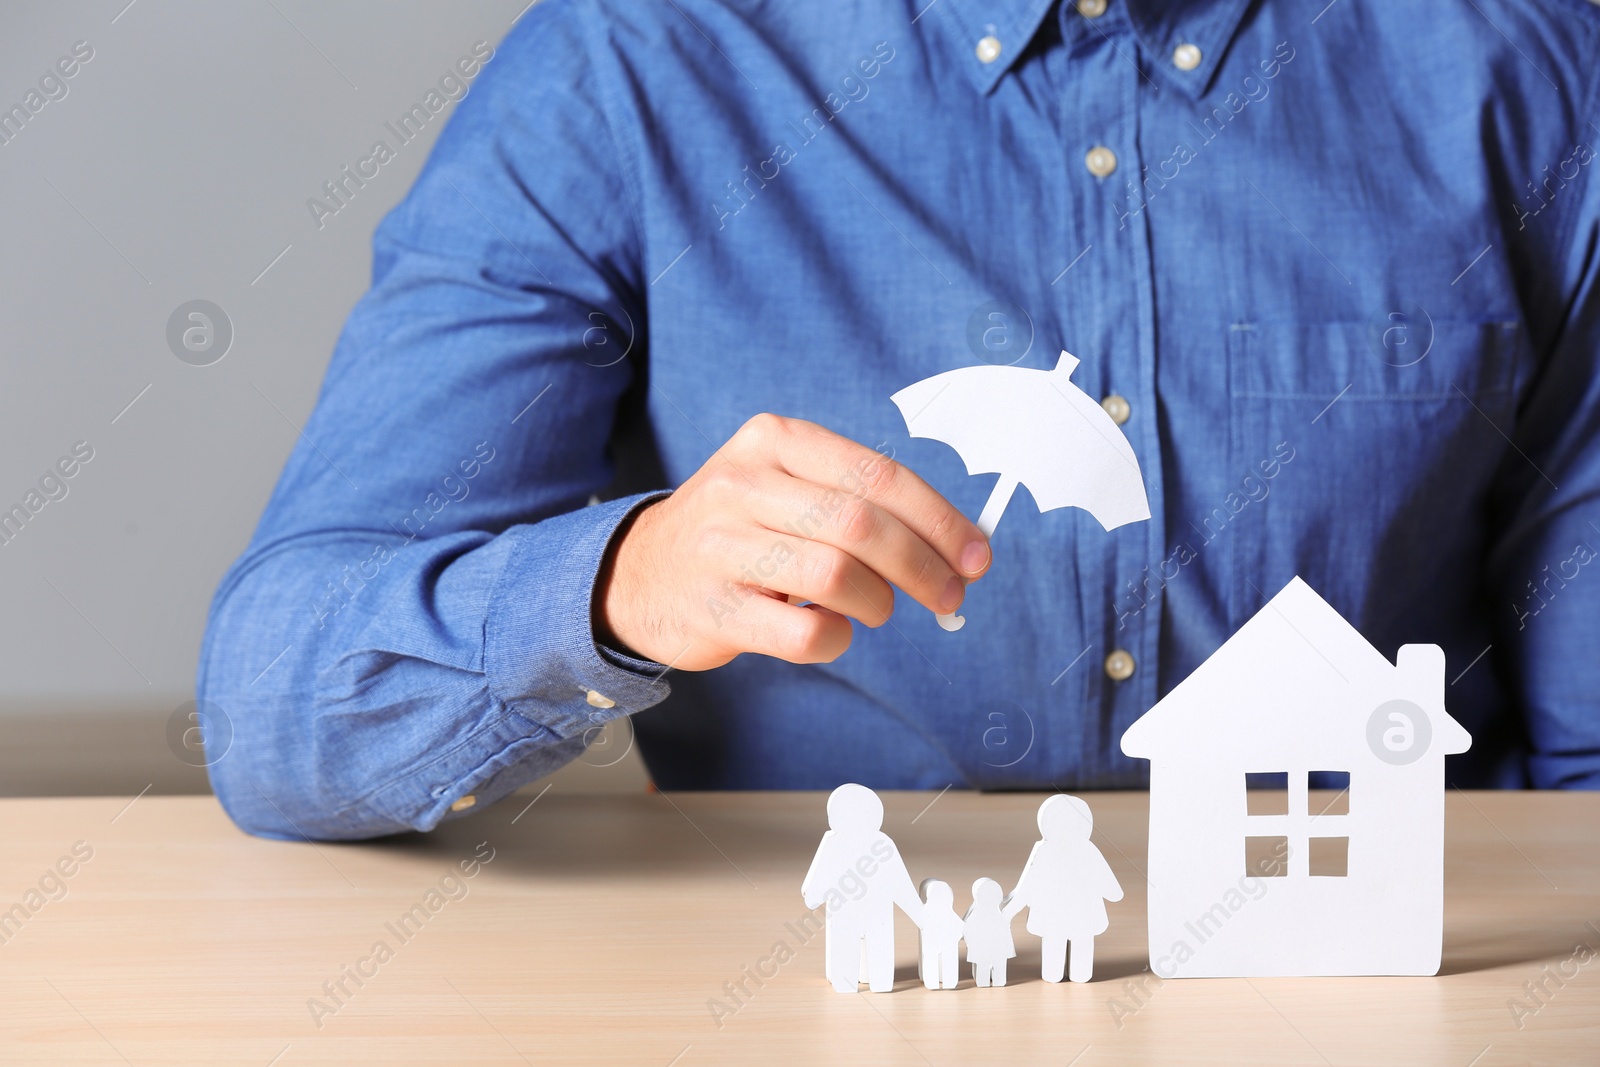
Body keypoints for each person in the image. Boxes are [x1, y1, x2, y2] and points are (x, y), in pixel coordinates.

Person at [198, 0, 1600, 840]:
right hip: (815, 982)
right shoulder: (627, 67)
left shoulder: (1532, 78)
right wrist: (614, 588)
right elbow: (276, 704)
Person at [801, 785, 923, 993]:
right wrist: (920, 916)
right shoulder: (877, 843)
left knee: (863, 953)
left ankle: (861, 981)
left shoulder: (862, 843)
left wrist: (921, 916)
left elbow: (900, 884)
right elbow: (901, 885)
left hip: (861, 915)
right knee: (861, 952)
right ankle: (865, 981)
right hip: (860, 915)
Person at [1004, 795, 1124, 982]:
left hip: (1055, 915)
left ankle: (1063, 973)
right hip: (1081, 914)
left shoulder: (1047, 851)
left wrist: (1009, 911)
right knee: (1073, 942)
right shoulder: (1085, 850)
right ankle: (1075, 973)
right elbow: (1113, 890)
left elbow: (1027, 887)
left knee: (1058, 944)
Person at [962, 877, 1016, 988]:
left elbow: (966, 930)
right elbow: (966, 930)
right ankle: (988, 980)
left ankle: (994, 980)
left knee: (994, 966)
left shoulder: (996, 914)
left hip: (994, 949)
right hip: (985, 949)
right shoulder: (980, 914)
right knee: (985, 966)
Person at [917, 878, 965, 990]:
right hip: (942, 944)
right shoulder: (934, 913)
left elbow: (961, 928)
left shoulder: (930, 912)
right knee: (937, 960)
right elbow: (961, 928)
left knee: (935, 960)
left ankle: (941, 982)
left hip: (940, 944)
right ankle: (939, 982)